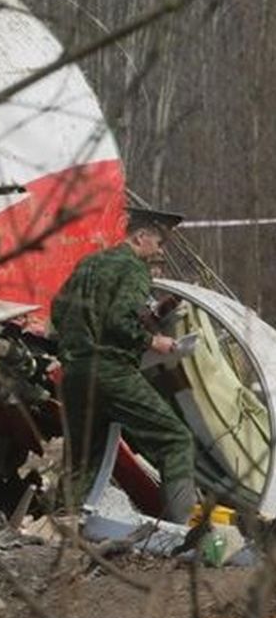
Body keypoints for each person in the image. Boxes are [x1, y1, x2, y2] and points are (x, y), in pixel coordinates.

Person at [50, 206, 197, 522]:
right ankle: (181, 530)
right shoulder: (133, 268)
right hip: (111, 371)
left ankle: (66, 527)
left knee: (84, 456)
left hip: (75, 373)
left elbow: (58, 312)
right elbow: (119, 321)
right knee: (175, 439)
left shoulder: (89, 263)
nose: (159, 252)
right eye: (158, 244)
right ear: (141, 236)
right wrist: (155, 342)